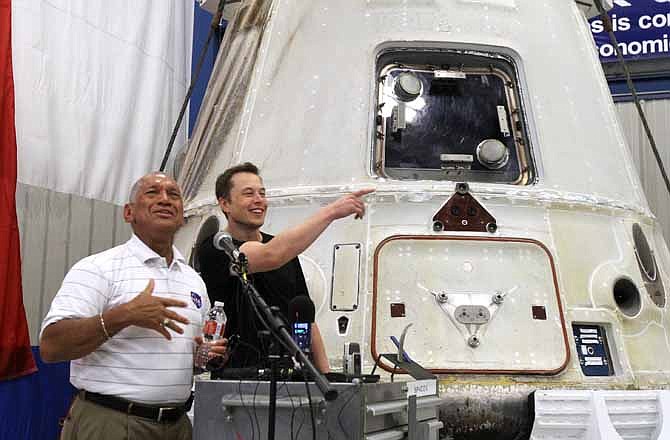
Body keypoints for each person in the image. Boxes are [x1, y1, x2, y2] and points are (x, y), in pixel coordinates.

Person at [39, 172, 226, 440]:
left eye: (173, 195)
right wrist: (124, 315)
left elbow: (182, 359)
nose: (165, 199)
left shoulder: (193, 280)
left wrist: (201, 357)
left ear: (183, 215)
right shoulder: (98, 268)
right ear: (129, 213)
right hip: (111, 423)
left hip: (178, 426)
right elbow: (51, 347)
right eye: (152, 193)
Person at [198, 162, 372, 374]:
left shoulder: (284, 251)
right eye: (248, 194)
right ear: (225, 203)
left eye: (262, 193)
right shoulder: (217, 248)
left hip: (291, 376)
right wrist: (331, 212)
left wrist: (325, 374)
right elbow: (270, 255)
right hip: (240, 375)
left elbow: (306, 319)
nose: (258, 200)